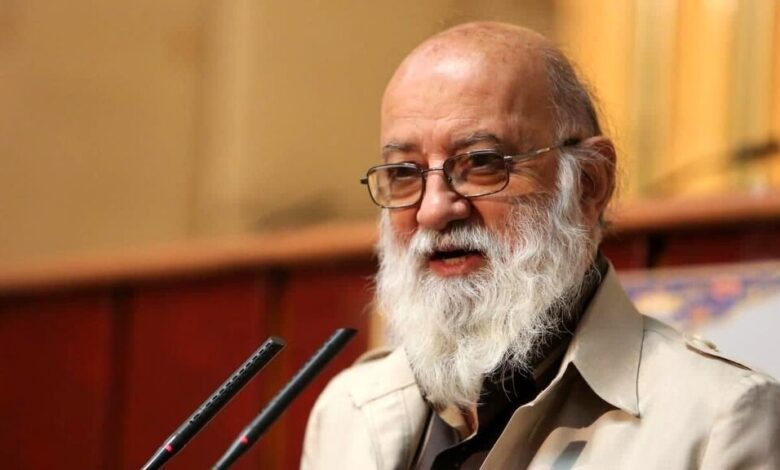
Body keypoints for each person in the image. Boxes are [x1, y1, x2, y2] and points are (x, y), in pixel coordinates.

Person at [301, 22, 780, 469]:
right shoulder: (348, 410)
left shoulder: (718, 419)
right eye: (404, 173)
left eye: (482, 163)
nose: (433, 210)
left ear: (589, 183)